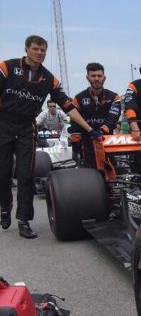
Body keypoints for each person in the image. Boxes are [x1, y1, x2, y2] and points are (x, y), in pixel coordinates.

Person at [0, 35, 100, 238]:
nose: (39, 53)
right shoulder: (7, 67)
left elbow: (68, 105)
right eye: (35, 49)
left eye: (43, 50)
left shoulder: (49, 78)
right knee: (3, 173)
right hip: (3, 123)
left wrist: (88, 128)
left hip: (27, 126)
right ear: (26, 49)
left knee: (26, 175)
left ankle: (24, 220)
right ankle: (5, 206)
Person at [68, 62, 121, 168]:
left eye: (99, 76)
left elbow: (113, 118)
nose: (96, 79)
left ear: (104, 78)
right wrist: (75, 144)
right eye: (93, 76)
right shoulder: (78, 98)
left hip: (107, 141)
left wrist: (102, 131)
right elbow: (75, 121)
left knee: (111, 173)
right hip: (87, 142)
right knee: (90, 175)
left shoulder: (114, 97)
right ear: (87, 78)